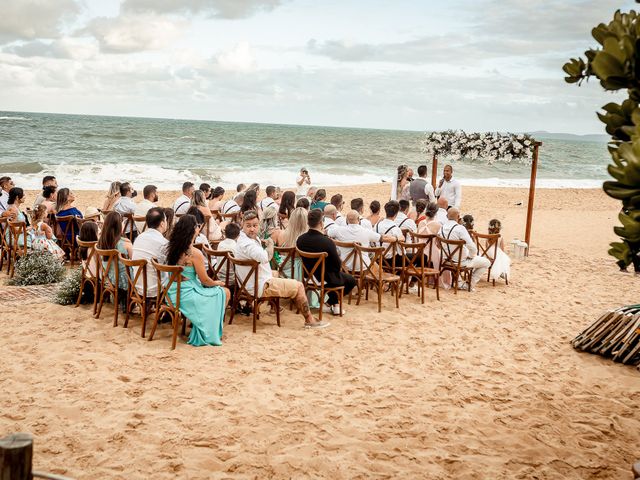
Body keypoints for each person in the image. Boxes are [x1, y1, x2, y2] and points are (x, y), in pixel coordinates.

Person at [235, 211, 329, 329]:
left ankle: (275, 307)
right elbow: (264, 257)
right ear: (242, 225)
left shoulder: (242, 239)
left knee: (276, 273)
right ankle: (309, 319)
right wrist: (270, 245)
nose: (252, 229)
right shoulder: (248, 244)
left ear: (259, 224)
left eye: (255, 225)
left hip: (248, 282)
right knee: (299, 286)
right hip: (259, 285)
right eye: (248, 226)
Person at [164, 214, 229, 346]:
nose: (199, 228)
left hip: (171, 291)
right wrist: (216, 282)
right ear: (194, 230)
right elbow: (205, 280)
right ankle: (206, 328)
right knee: (224, 292)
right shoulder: (194, 253)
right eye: (197, 226)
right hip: (185, 294)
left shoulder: (172, 248)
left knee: (216, 291)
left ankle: (199, 323)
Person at [297, 209, 356, 316]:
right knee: (350, 280)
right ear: (321, 223)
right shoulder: (327, 242)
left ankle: (333, 305)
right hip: (323, 278)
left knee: (334, 275)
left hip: (307, 276)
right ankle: (331, 304)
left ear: (308, 223)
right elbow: (337, 265)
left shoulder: (300, 240)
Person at [439, 208, 490, 291]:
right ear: (458, 217)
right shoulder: (460, 228)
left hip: (445, 260)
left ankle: (460, 282)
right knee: (486, 262)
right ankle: (469, 285)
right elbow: (472, 247)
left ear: (447, 216)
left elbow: (438, 244)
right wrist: (471, 256)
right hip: (459, 262)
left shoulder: (441, 228)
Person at [329, 210, 397, 272]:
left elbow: (326, 232)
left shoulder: (339, 230)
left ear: (346, 220)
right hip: (363, 267)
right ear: (359, 219)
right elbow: (384, 239)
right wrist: (396, 238)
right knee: (378, 269)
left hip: (344, 266)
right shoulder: (366, 232)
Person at [131, 207, 168, 298]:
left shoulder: (138, 238)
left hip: (138, 286)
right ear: (162, 224)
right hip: (156, 289)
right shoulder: (163, 243)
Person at [98, 211, 133, 309]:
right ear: (118, 226)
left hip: (108, 278)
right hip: (124, 281)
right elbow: (133, 262)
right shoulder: (126, 243)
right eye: (122, 222)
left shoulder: (101, 241)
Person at [217, 222, 241, 287]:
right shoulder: (236, 247)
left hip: (218, 276)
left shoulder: (220, 244)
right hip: (231, 279)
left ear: (225, 233)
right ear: (238, 236)